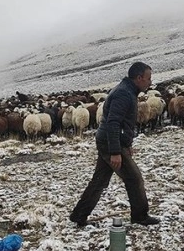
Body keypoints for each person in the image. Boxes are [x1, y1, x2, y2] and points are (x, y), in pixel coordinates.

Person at [69, 62, 160, 227]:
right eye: (148, 78)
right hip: (111, 142)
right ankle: (140, 216)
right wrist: (116, 151)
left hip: (111, 140)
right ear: (139, 78)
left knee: (99, 180)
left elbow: (122, 123)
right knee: (134, 178)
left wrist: (127, 143)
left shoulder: (127, 91)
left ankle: (79, 215)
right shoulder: (124, 94)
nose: (150, 82)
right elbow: (113, 122)